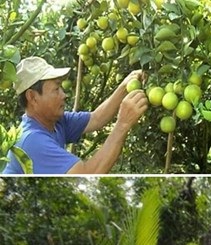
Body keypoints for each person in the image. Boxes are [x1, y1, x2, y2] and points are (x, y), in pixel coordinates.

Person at [2, 56, 148, 174]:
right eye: (56, 89)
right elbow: (88, 174)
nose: (64, 95)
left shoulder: (54, 121)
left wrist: (124, 86)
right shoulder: (32, 141)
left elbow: (97, 118)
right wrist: (123, 124)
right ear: (32, 97)